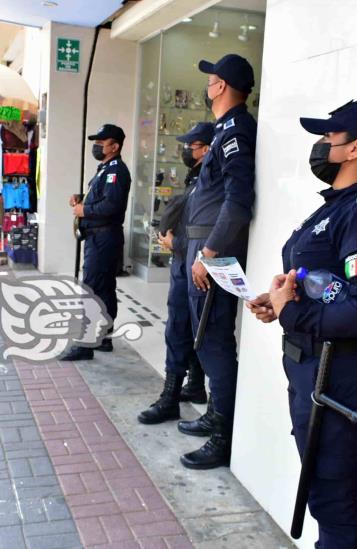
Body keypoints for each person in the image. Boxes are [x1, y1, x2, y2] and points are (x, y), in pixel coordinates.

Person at [247, 100, 357, 548]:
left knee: (333, 503)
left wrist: (293, 311)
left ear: (355, 147)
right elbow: (329, 285)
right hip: (315, 372)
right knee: (326, 498)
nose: (321, 145)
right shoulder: (337, 207)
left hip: (341, 381)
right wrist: (281, 301)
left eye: (328, 137)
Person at [179, 54, 257, 470]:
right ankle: (215, 412)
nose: (207, 86)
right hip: (205, 248)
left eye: (211, 79)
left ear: (222, 86)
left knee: (214, 341)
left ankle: (226, 435)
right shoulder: (227, 129)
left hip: (215, 253)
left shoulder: (235, 132)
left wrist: (209, 254)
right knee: (205, 340)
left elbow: (238, 201)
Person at [138, 122, 214, 425]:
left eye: (190, 145)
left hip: (192, 262)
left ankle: (170, 398)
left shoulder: (210, 182)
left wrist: (176, 242)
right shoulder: (197, 177)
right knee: (183, 327)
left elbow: (208, 229)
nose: (185, 150)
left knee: (184, 329)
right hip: (185, 261)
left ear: (206, 149)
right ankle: (193, 386)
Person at [60, 124, 131, 361]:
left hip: (103, 237)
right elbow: (102, 197)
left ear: (115, 146)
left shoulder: (116, 171)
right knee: (103, 288)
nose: (97, 145)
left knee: (91, 288)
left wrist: (84, 210)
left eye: (102, 142)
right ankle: (104, 337)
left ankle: (86, 343)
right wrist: (81, 199)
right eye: (96, 141)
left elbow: (111, 206)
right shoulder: (105, 169)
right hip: (98, 237)